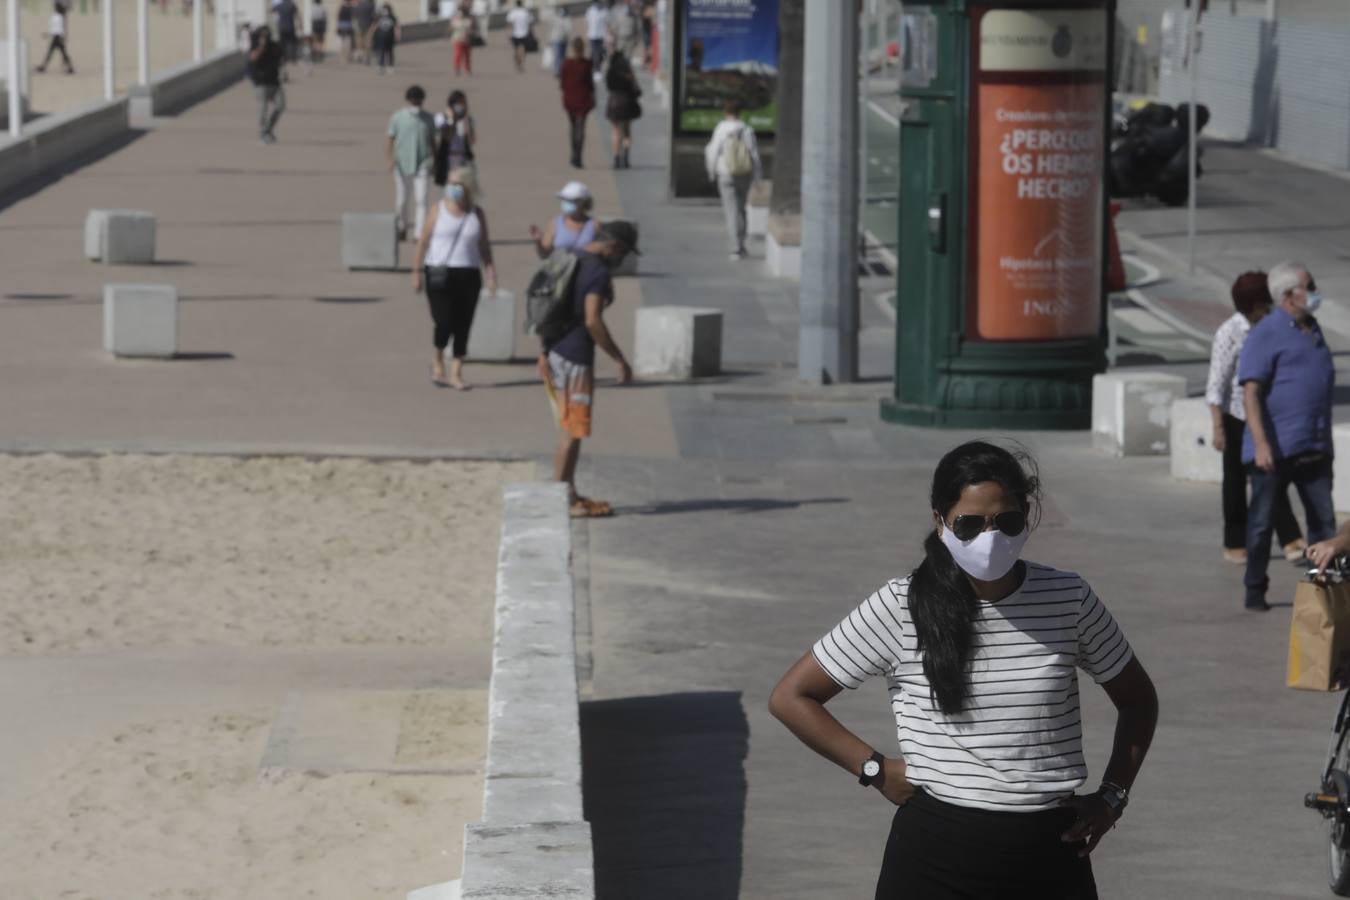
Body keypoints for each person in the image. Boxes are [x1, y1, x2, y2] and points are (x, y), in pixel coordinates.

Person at [769, 441, 1159, 898]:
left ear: (1027, 514)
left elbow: (1138, 699)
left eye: (1006, 521)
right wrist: (873, 768)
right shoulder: (903, 604)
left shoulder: (1068, 598)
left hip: (1050, 855)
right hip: (934, 856)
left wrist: (1113, 795)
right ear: (940, 521)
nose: (989, 538)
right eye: (969, 525)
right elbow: (792, 697)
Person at [1239, 261, 1337, 611]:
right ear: (1288, 295)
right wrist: (1261, 443)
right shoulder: (1266, 332)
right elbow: (1250, 391)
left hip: (1314, 446)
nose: (1314, 291)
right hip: (1275, 451)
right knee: (1262, 525)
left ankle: (1326, 593)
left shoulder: (1311, 328)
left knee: (1325, 527)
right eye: (1309, 285)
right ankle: (1254, 590)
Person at [539, 221, 639, 518]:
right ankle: (561, 498)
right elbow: (592, 320)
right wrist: (619, 359)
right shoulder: (596, 271)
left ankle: (568, 491)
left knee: (568, 427)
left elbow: (549, 306)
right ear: (615, 246)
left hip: (556, 352)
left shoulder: (568, 255)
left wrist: (543, 351)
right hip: (576, 358)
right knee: (572, 430)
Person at [1206, 271, 1305, 566]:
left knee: (1271, 475)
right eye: (1264, 306)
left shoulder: (1278, 328)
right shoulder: (1230, 332)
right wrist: (1218, 427)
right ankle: (1235, 542)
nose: (1269, 311)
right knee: (1235, 484)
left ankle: (1289, 537)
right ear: (1252, 307)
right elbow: (1216, 384)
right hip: (1236, 417)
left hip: (1268, 416)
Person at [412, 168, 497, 390]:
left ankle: (456, 371)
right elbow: (423, 240)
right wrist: (416, 271)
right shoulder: (437, 210)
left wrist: (490, 274)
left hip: (468, 273)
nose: (451, 188)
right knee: (444, 321)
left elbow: (484, 246)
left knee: (464, 324)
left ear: (468, 187)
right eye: (450, 183)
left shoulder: (476, 214)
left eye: (457, 184)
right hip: (439, 272)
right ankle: (438, 358)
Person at [704, 99, 762, 259]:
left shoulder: (721, 129)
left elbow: (713, 151)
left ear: (725, 112)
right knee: (741, 209)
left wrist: (711, 171)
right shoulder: (747, 130)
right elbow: (754, 154)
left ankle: (735, 247)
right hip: (744, 174)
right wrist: (757, 178)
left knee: (731, 211)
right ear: (739, 112)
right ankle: (742, 244)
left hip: (726, 173)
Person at [387, 84, 435, 242]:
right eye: (414, 100)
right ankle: (402, 226)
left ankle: (419, 234)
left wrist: (435, 161)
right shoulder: (398, 117)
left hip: (423, 164)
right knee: (402, 200)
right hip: (402, 164)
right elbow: (390, 138)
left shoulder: (429, 119)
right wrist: (390, 159)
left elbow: (433, 142)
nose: (416, 103)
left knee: (422, 200)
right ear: (408, 100)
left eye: (419, 100)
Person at [530, 181, 603, 257]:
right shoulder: (555, 223)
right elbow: (544, 255)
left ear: (582, 203)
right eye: (564, 199)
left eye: (570, 200)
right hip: (562, 268)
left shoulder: (594, 225)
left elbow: (603, 253)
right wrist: (538, 241)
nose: (565, 203)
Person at [559, 37, 595, 169]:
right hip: (583, 99)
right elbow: (590, 83)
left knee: (573, 127)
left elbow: (562, 83)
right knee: (581, 127)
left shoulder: (566, 64)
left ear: (573, 48)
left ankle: (573, 155)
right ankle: (578, 157)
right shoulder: (586, 64)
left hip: (570, 99)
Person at [248, 26, 286, 144]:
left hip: (274, 81)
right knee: (263, 109)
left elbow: (281, 59)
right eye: (263, 35)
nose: (266, 37)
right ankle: (263, 133)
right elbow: (253, 58)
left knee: (280, 106)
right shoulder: (255, 46)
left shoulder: (275, 46)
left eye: (267, 35)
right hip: (261, 83)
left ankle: (268, 129)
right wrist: (261, 47)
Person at [604, 50, 640, 169]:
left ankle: (616, 158)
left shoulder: (611, 71)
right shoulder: (628, 72)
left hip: (614, 102)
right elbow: (636, 88)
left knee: (615, 130)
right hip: (627, 102)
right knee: (627, 131)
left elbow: (608, 86)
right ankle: (626, 158)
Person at [433, 90, 476, 190]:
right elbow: (446, 137)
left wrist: (466, 122)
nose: (460, 106)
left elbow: (471, 141)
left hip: (462, 157)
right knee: (447, 187)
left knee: (463, 187)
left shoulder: (468, 119)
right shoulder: (442, 117)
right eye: (458, 103)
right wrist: (452, 120)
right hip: (446, 157)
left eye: (463, 103)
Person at [35, 2, 75, 74]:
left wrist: (58, 36)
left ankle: (43, 67)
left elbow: (58, 28)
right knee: (61, 53)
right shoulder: (59, 16)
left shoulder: (57, 17)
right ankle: (70, 68)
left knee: (54, 53)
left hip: (57, 37)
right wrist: (48, 34)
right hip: (57, 37)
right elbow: (56, 28)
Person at [506, 0, 533, 74]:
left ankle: (518, 63)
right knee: (523, 49)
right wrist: (530, 32)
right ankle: (521, 63)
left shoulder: (513, 12)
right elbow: (530, 23)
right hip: (525, 33)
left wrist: (508, 34)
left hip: (515, 34)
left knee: (516, 49)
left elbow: (509, 23)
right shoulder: (526, 12)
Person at [372, 2, 399, 73]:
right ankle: (390, 66)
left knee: (382, 51)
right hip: (390, 37)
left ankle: (381, 66)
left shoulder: (379, 16)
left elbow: (375, 26)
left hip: (381, 37)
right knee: (390, 52)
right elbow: (396, 27)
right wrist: (397, 36)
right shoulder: (392, 16)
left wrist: (373, 34)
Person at [450, 2, 474, 77]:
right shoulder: (456, 20)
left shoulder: (469, 20)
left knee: (467, 56)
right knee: (458, 55)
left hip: (467, 40)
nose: (461, 14)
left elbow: (472, 29)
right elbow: (451, 29)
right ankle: (457, 69)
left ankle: (467, 70)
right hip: (458, 40)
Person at [584, 0, 608, 75]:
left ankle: (596, 67)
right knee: (595, 53)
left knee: (601, 53)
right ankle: (596, 69)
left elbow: (606, 23)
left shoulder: (604, 11)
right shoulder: (590, 11)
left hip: (601, 35)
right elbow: (587, 22)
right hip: (592, 35)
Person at [547, 3, 570, 77]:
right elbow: (550, 29)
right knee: (557, 56)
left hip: (563, 39)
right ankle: (557, 71)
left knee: (562, 56)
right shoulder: (555, 18)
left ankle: (562, 70)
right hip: (556, 39)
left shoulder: (566, 19)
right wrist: (549, 39)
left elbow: (569, 29)